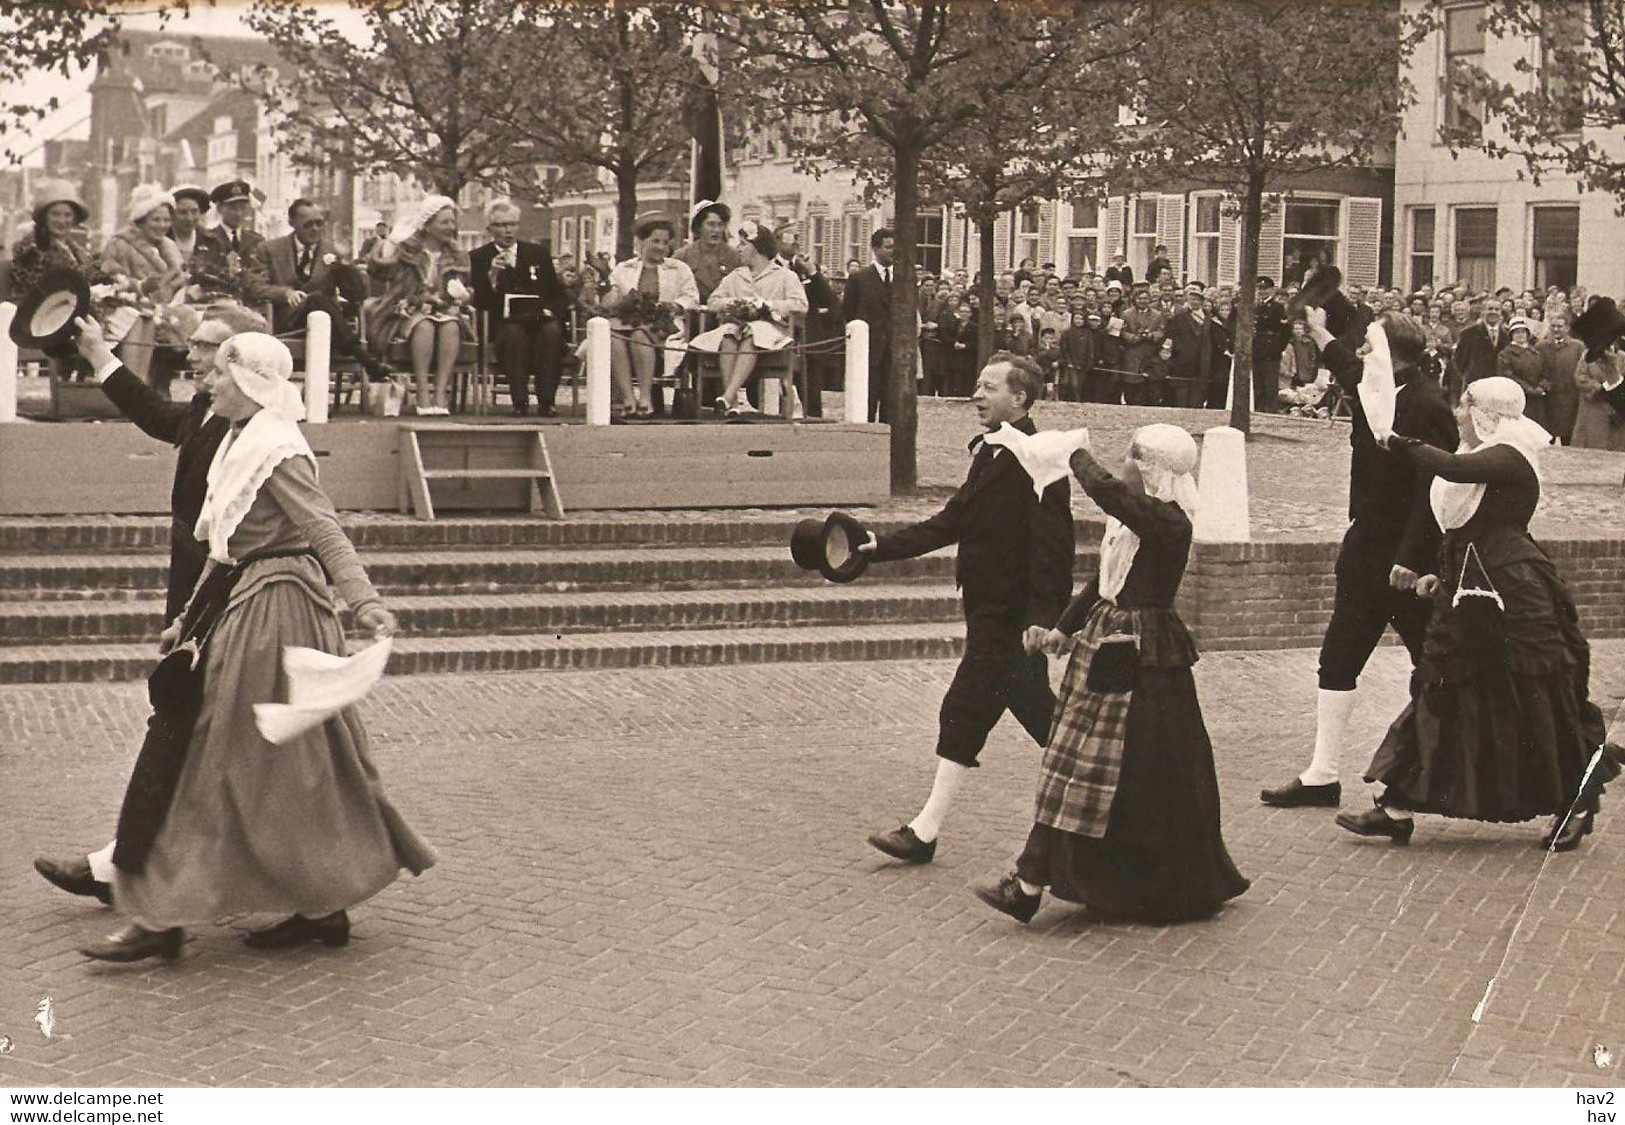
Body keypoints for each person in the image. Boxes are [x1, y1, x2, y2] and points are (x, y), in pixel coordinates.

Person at [79, 333, 436, 962]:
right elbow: (226, 551)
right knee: (300, 763)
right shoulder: (241, 442)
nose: (208, 383)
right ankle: (323, 905)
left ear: (248, 382)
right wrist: (186, 619)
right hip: (251, 599)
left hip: (279, 611)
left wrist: (365, 600)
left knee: (211, 750)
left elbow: (321, 526)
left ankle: (161, 914)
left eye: (219, 374)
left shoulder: (278, 449)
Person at [31, 307, 271, 910]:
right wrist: (97, 356)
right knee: (211, 730)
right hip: (199, 591)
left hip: (222, 598)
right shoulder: (210, 411)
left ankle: (129, 874)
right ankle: (312, 893)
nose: (190, 354)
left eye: (205, 346)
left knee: (181, 723)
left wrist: (197, 612)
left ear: (239, 358)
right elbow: (159, 416)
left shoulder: (251, 427)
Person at [974, 424, 1249, 925]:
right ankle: (1042, 879)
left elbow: (1109, 494)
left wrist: (1075, 455)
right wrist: (1063, 628)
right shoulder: (1131, 523)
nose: (1123, 463)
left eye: (1133, 456)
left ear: (1151, 469)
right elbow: (1104, 586)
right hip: (1112, 643)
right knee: (1087, 761)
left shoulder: (1169, 521)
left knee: (1096, 763)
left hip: (1140, 654)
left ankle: (1037, 881)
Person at [1339, 378, 1616, 851]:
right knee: (1442, 687)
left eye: (1465, 405)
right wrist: (1439, 577)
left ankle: (1577, 800)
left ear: (1488, 410)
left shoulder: (1510, 453)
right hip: (1473, 584)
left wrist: (1394, 439)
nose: (1459, 412)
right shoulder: (1489, 451)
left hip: (1511, 588)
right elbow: (1464, 528)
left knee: (1530, 693)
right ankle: (1397, 807)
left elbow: (1449, 466)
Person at [863, 354, 1075, 864]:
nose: (977, 395)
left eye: (988, 387)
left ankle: (925, 832)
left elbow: (1055, 545)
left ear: (1019, 398)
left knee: (969, 711)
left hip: (1011, 617)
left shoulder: (1039, 457)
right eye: (978, 386)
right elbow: (953, 520)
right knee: (1034, 720)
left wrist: (1044, 617)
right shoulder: (993, 451)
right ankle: (1116, 794)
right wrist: (879, 545)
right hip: (989, 610)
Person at [1261, 310, 1459, 810]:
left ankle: (1447, 772)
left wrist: (1413, 557)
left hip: (1406, 563)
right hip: (1366, 550)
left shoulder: (1427, 405)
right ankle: (1322, 775)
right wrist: (1321, 330)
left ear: (1391, 356)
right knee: (1338, 659)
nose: (1363, 356)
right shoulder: (1378, 390)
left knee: (1434, 665)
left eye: (1371, 348)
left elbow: (1433, 488)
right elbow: (1350, 367)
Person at [247, 197, 394, 389]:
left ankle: (323, 388)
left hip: (328, 325)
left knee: (318, 300)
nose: (315, 229)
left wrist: (344, 265)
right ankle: (363, 357)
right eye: (308, 224)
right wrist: (284, 293)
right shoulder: (269, 249)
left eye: (319, 224)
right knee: (316, 298)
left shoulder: (331, 251)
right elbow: (254, 286)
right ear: (292, 223)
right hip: (287, 320)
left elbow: (358, 295)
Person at [363, 195, 474, 415]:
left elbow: (465, 288)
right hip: (405, 309)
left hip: (444, 310)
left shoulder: (457, 255)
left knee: (451, 326)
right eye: (444, 222)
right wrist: (390, 244)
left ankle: (440, 393)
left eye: (452, 222)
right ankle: (422, 392)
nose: (450, 227)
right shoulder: (408, 250)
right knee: (424, 326)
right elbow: (379, 271)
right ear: (428, 224)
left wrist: (461, 294)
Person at [691, 221, 809, 418]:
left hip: (772, 333)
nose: (738, 248)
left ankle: (727, 396)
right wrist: (737, 303)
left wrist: (767, 305)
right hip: (737, 328)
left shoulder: (785, 276)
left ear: (758, 248)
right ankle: (732, 401)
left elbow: (800, 305)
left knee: (752, 334)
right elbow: (713, 301)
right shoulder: (736, 276)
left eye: (743, 244)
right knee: (728, 335)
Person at [469, 199, 569, 417]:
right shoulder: (479, 258)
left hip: (538, 320)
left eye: (513, 224)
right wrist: (492, 277)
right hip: (503, 323)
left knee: (551, 333)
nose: (508, 230)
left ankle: (547, 401)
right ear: (489, 229)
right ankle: (519, 401)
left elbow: (558, 294)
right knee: (514, 335)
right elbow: (480, 302)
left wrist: (550, 311)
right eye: (502, 225)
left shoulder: (538, 254)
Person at [604, 215, 700, 417]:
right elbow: (611, 298)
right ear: (641, 242)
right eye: (655, 241)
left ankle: (645, 398)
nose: (661, 247)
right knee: (614, 337)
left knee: (640, 335)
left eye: (665, 243)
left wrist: (675, 305)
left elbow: (692, 297)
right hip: (627, 321)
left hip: (664, 322)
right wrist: (610, 292)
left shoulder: (679, 269)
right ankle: (628, 399)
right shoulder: (624, 269)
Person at [100, 185, 187, 384]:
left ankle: (160, 386)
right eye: (156, 219)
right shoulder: (120, 243)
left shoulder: (169, 247)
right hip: (125, 308)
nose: (162, 225)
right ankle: (134, 385)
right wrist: (140, 286)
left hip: (164, 308)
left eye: (166, 220)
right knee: (142, 319)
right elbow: (109, 281)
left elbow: (179, 280)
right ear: (141, 220)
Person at [841, 227, 897, 423]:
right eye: (888, 247)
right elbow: (849, 312)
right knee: (867, 400)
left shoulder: (903, 278)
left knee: (892, 404)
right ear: (876, 249)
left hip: (895, 352)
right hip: (869, 351)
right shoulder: (859, 278)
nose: (893, 251)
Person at [191, 180, 264, 301]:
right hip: (215, 302)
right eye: (233, 209)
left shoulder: (256, 240)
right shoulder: (207, 239)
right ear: (220, 209)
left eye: (243, 208)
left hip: (251, 302)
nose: (239, 214)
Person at [674, 200, 741, 303]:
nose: (717, 230)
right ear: (698, 227)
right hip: (691, 316)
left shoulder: (734, 257)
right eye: (711, 224)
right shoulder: (682, 257)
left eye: (720, 225)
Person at [1165, 282, 1213, 409]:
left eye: (1197, 299)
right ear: (1187, 300)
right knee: (1182, 395)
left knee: (1198, 396)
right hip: (1183, 361)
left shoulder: (1209, 318)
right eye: (1192, 299)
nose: (1194, 302)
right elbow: (1172, 337)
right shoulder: (1179, 317)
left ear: (1202, 301)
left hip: (1202, 360)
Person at [1538, 313, 1583, 445]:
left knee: (1568, 438)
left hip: (1571, 398)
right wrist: (1543, 384)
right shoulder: (1541, 347)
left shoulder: (1577, 347)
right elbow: (1535, 370)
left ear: (1567, 328)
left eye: (1560, 326)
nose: (1556, 329)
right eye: (1553, 326)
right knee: (1546, 439)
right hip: (1549, 399)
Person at [1495, 316, 1547, 429]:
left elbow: (1545, 373)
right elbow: (1507, 376)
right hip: (1517, 399)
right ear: (1511, 335)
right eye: (1517, 332)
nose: (1520, 335)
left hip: (1537, 400)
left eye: (1523, 332)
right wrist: (1528, 389)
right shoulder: (1505, 354)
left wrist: (1541, 387)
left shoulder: (1536, 353)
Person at [1118, 284, 1165, 406]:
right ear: (1135, 299)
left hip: (1150, 354)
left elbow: (1161, 332)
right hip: (1132, 354)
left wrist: (1151, 335)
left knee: (1151, 387)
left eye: (1145, 298)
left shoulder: (1157, 315)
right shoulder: (1126, 314)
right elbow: (1121, 332)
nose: (1143, 301)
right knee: (1132, 386)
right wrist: (1133, 337)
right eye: (1140, 298)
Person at [1571, 344, 1625, 451]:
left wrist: (1613, 388)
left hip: (1614, 408)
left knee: (1615, 446)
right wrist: (1599, 387)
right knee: (1590, 444)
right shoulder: (1588, 356)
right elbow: (1580, 377)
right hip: (1592, 406)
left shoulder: (1622, 357)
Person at [1252, 276, 1291, 412]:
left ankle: (1269, 411)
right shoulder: (1254, 306)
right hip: (1255, 349)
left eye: (1264, 289)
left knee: (1269, 385)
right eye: (1259, 288)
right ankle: (1257, 410)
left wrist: (1278, 348)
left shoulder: (1277, 308)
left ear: (1271, 290)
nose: (1261, 291)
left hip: (1270, 350)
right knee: (1257, 384)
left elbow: (1286, 331)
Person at [1453, 301, 1508, 388]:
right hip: (1476, 384)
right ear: (1483, 312)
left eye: (1496, 309)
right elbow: (1459, 360)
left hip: (1500, 385)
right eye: (1490, 309)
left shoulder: (1507, 335)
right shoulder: (1469, 334)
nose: (1493, 312)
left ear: (1500, 313)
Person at [167, 185, 210, 267]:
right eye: (183, 212)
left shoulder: (211, 242)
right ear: (171, 214)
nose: (189, 218)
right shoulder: (161, 240)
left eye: (194, 211)